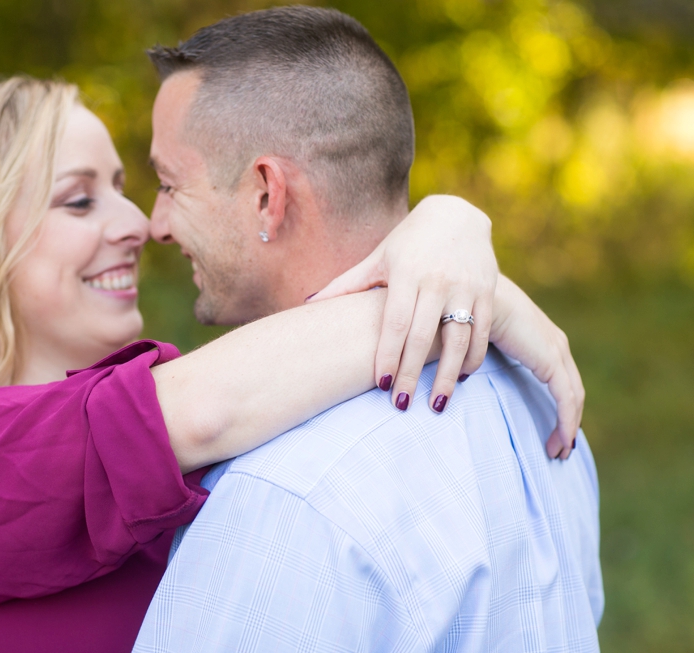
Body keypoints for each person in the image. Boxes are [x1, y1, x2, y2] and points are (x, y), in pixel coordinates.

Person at [0, 76, 581, 652]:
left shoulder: (173, 404)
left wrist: (451, 230)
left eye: (125, 188)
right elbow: (201, 406)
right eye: (79, 201)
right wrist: (465, 287)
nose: (139, 224)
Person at [134, 7, 601, 652]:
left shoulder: (281, 495)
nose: (155, 224)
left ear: (267, 195)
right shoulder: (532, 394)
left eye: (168, 185)